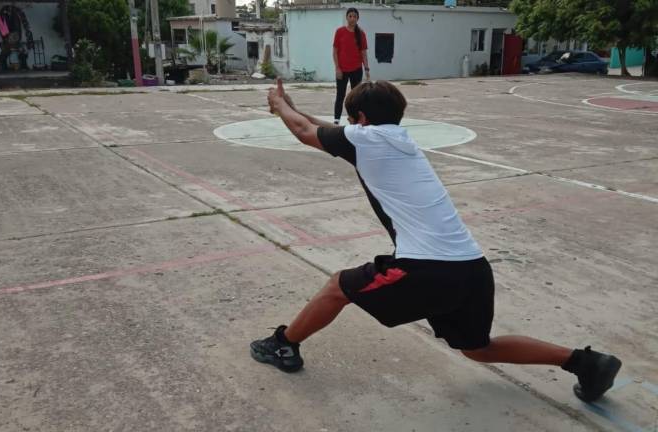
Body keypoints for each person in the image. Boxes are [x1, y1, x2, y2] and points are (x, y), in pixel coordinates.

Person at [250, 79, 622, 403]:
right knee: (477, 349)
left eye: (352, 118)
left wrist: (281, 106)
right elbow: (322, 128)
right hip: (472, 268)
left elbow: (304, 131)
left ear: (361, 119)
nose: (349, 125)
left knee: (337, 288)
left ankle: (283, 343)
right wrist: (292, 110)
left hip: (425, 269)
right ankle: (585, 363)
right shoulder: (395, 139)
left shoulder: (366, 139)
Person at [332, 7, 369, 125]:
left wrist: (367, 69)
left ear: (358, 18)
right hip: (342, 70)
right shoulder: (340, 32)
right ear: (346, 17)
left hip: (357, 70)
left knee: (355, 97)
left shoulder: (361, 34)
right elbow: (335, 52)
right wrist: (337, 68)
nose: (352, 18)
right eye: (350, 16)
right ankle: (336, 120)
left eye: (355, 16)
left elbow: (363, 53)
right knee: (340, 95)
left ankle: (354, 119)